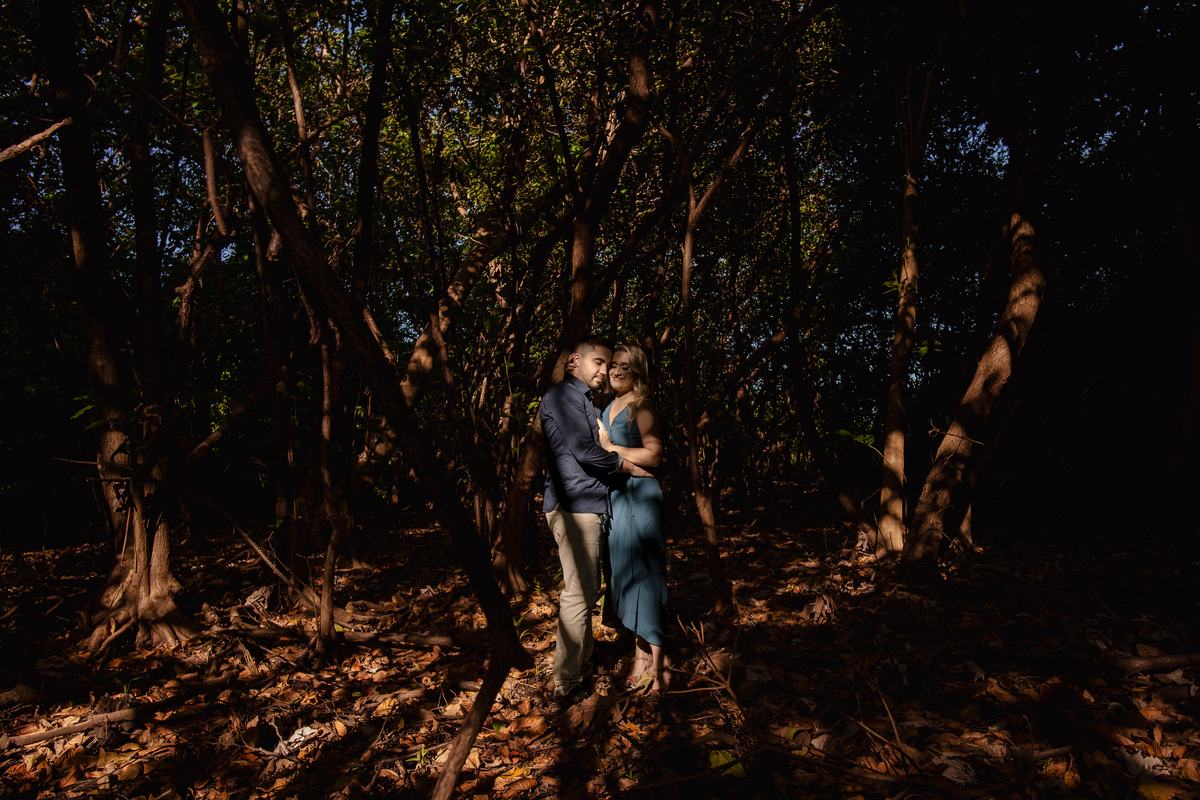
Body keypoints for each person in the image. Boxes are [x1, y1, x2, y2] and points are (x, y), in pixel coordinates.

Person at [541, 336, 651, 705]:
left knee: (586, 590)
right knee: (579, 593)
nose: (604, 371)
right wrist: (628, 465)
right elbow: (587, 452)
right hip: (574, 506)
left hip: (590, 504)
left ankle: (580, 669)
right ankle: (566, 684)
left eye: (609, 365)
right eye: (598, 363)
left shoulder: (584, 401)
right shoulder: (563, 396)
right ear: (575, 360)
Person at [597, 343, 670, 694]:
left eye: (625, 366)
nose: (616, 371)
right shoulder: (609, 406)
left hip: (641, 495)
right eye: (613, 365)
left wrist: (612, 449)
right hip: (617, 497)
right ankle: (641, 652)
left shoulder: (642, 405)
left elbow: (654, 454)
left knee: (645, 574)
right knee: (623, 571)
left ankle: (657, 663)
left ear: (637, 371)